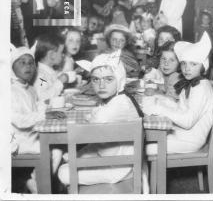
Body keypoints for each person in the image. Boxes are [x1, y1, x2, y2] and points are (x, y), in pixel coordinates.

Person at [58, 51, 149, 193]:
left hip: (120, 168)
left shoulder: (120, 104)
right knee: (69, 157)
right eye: (95, 79)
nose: (101, 85)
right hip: (113, 156)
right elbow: (97, 117)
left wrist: (93, 115)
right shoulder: (119, 98)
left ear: (120, 79)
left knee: (63, 172)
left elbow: (96, 120)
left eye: (108, 79)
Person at [144, 32, 213, 154]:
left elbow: (188, 121)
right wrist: (162, 101)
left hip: (190, 140)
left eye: (193, 64)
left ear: (203, 67)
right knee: (144, 140)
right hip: (181, 134)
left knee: (143, 149)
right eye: (184, 63)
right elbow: (181, 108)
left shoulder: (200, 88)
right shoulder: (190, 83)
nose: (187, 68)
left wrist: (160, 109)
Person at [11, 46, 63, 193]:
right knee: (52, 148)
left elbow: (37, 103)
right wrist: (44, 113)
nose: (28, 66)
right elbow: (19, 120)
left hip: (30, 134)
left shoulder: (30, 88)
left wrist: (45, 106)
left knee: (57, 148)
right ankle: (37, 185)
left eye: (31, 63)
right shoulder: (11, 91)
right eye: (22, 62)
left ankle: (35, 182)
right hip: (16, 140)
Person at [33, 33, 73, 102]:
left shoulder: (48, 72)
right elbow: (41, 97)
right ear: (52, 55)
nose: (63, 55)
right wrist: (60, 81)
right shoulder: (41, 76)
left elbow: (50, 86)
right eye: (61, 52)